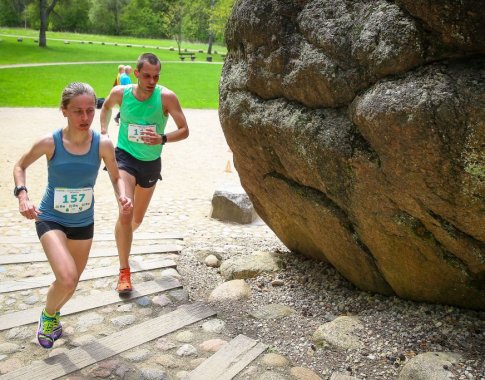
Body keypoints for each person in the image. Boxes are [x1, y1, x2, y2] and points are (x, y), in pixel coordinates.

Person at [13, 82, 133, 349]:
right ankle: (47, 316)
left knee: (71, 282)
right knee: (66, 277)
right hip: (50, 217)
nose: (85, 117)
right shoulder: (49, 142)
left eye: (91, 110)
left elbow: (116, 176)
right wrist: (23, 195)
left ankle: (54, 315)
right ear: (64, 111)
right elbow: (20, 166)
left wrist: (122, 196)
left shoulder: (103, 144)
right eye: (78, 111)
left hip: (83, 221)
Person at [100, 52, 189, 294]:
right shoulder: (122, 93)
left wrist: (162, 138)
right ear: (137, 74)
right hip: (124, 159)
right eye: (147, 76)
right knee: (126, 211)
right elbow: (106, 107)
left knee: (135, 220)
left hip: (150, 164)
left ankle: (122, 234)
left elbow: (184, 130)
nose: (152, 81)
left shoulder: (166, 97)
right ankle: (124, 272)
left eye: (156, 76)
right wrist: (104, 132)